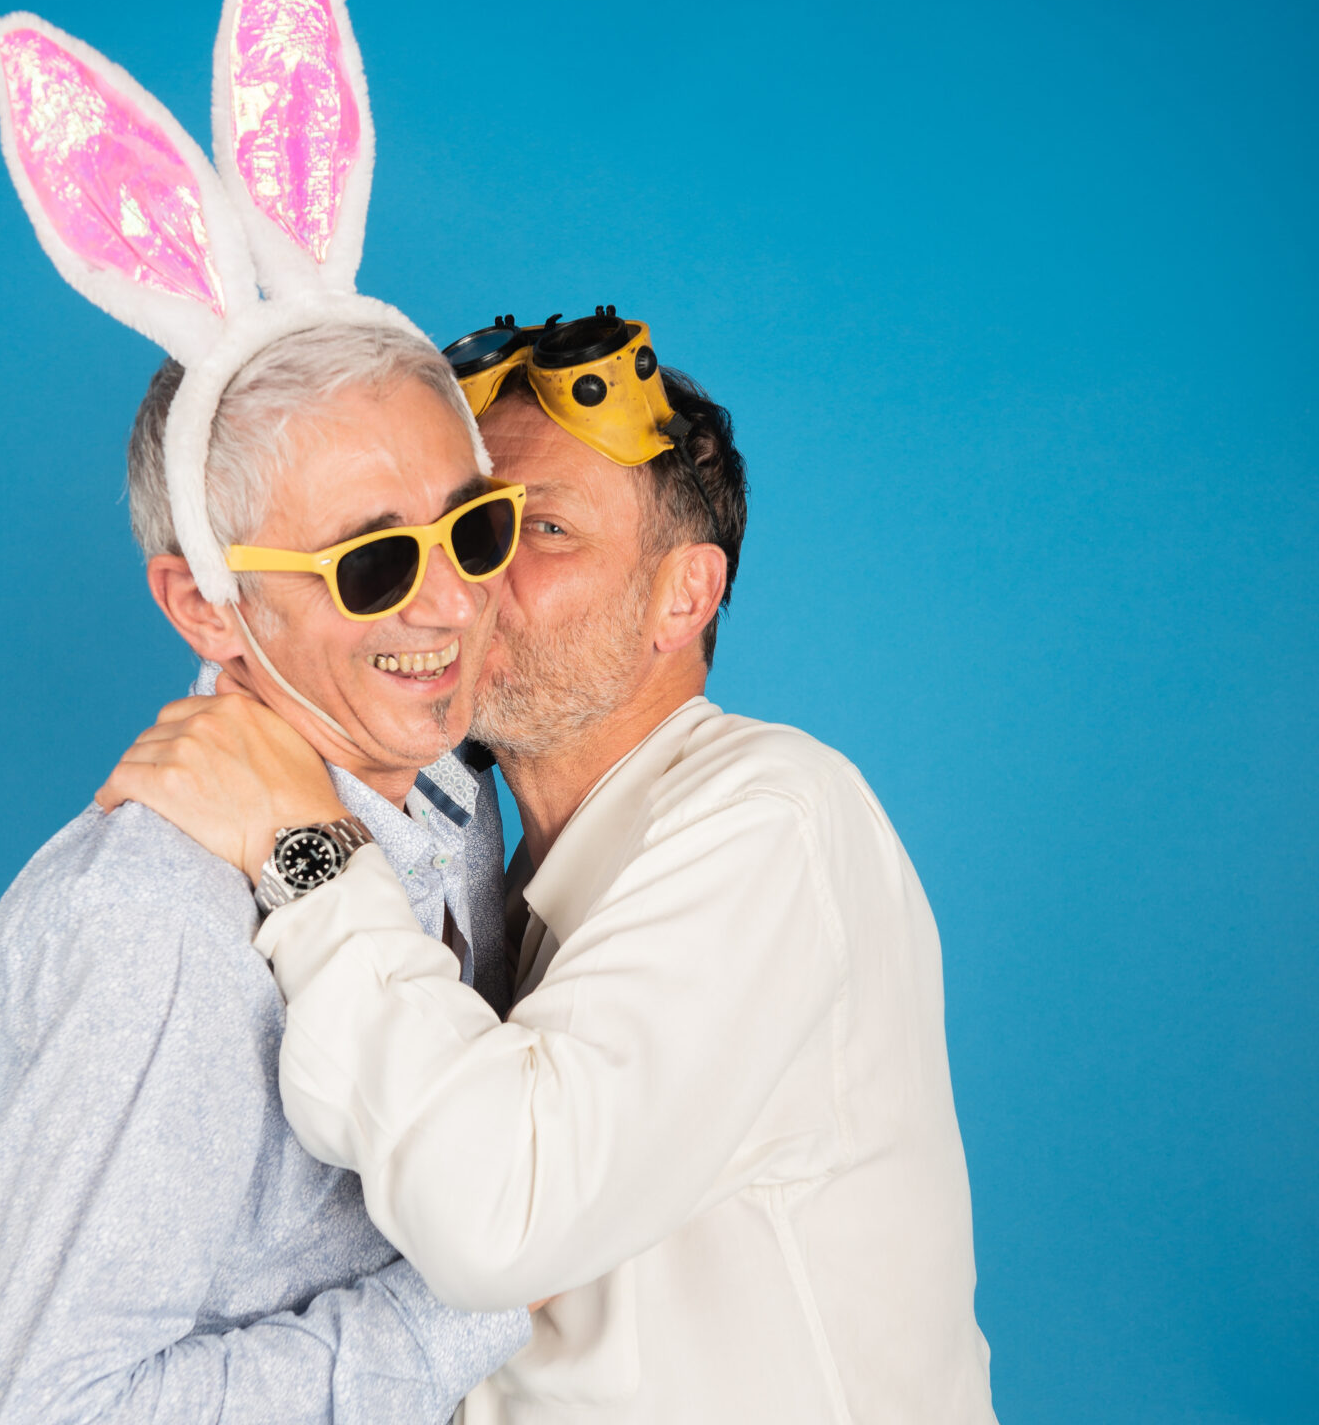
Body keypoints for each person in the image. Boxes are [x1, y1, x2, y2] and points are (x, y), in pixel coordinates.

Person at [99, 313, 1001, 1423]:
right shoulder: (489, 877)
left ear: (685, 596)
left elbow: (496, 1218)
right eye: (475, 524)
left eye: (547, 532)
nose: (460, 582)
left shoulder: (775, 815)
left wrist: (303, 847)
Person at [0, 0, 533, 1423]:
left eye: (471, 527)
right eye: (367, 561)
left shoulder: (458, 802)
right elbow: (54, 1410)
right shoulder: (150, 923)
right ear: (206, 609)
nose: (450, 603)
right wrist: (508, 1270)